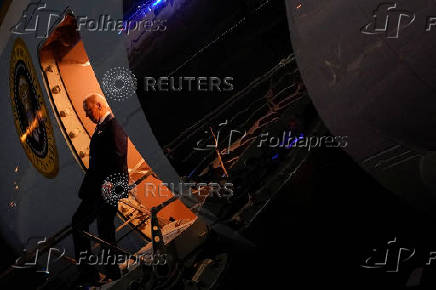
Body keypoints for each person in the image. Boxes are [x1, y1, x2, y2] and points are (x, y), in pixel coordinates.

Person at [72, 93, 128, 285]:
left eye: (88, 110)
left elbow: (118, 155)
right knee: (105, 229)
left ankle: (89, 273)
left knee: (79, 222)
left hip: (107, 188)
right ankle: (111, 271)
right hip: (101, 188)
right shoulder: (102, 128)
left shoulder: (114, 125)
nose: (87, 115)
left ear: (99, 106)